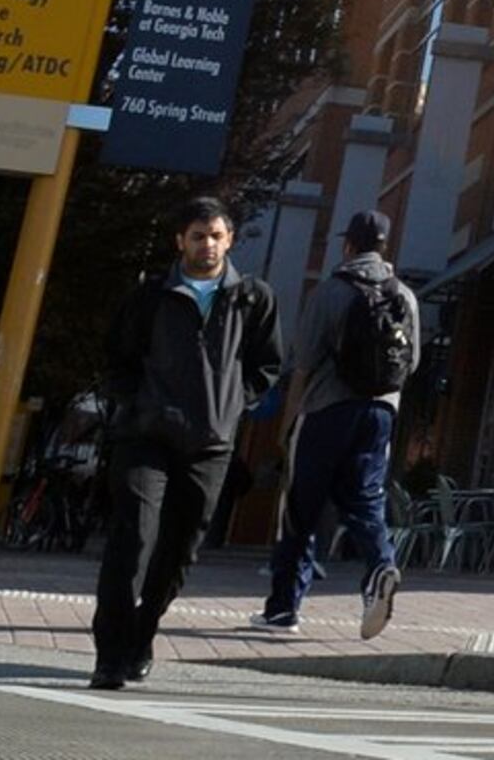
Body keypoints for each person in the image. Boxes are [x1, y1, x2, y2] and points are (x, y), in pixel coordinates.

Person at [93, 197, 285, 690]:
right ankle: (110, 654)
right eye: (198, 235)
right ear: (180, 241)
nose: (207, 244)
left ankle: (142, 635)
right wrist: (137, 405)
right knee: (133, 537)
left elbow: (267, 364)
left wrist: (231, 405)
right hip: (146, 438)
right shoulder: (151, 295)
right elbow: (118, 358)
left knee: (179, 552)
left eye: (216, 235)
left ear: (231, 240)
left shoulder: (252, 298)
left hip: (209, 446)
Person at [255, 210, 418, 637]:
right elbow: (412, 362)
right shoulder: (405, 295)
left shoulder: (331, 291)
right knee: (366, 499)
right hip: (382, 411)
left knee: (300, 508)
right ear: (384, 246)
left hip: (326, 409)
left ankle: (283, 608)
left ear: (348, 245)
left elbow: (304, 362)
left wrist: (290, 418)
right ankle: (381, 564)